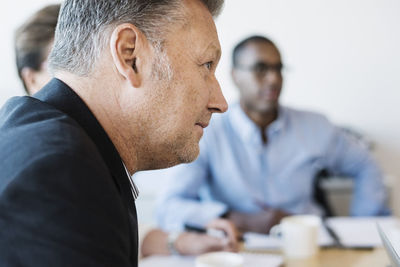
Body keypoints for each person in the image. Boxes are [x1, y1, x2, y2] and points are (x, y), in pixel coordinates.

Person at [0, 0, 233, 266]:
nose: (220, 102)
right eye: (206, 65)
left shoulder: (46, 141)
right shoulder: (62, 175)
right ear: (129, 55)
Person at [156, 35, 390, 234]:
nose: (274, 79)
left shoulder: (314, 126)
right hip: (239, 248)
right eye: (261, 69)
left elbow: (365, 166)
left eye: (278, 68)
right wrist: (236, 219)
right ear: (235, 75)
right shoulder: (206, 132)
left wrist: (361, 226)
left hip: (312, 243)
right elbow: (169, 207)